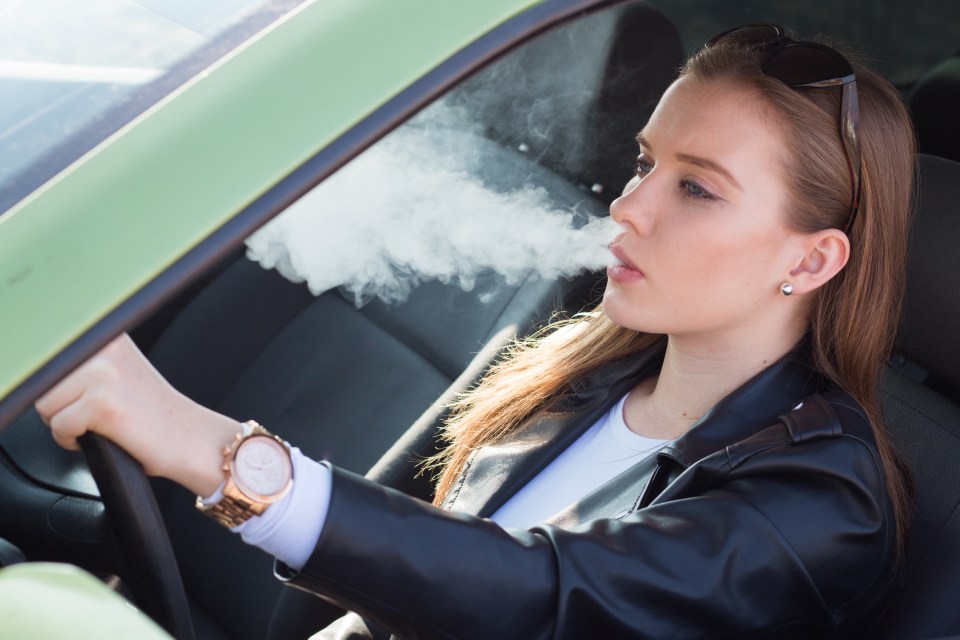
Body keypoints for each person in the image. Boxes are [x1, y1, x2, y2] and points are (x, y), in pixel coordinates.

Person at [34, 24, 916, 639]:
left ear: (810, 262)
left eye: (697, 188)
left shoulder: (824, 504)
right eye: (646, 162)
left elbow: (534, 600)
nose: (628, 204)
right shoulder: (581, 370)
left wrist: (210, 449)